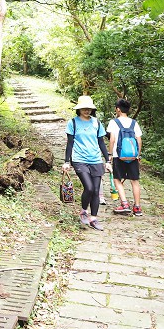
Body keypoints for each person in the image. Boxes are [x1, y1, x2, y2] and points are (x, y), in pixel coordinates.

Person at [62, 95, 112, 230]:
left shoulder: (97, 123)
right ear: (79, 109)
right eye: (84, 108)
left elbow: (101, 142)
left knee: (96, 190)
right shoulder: (73, 123)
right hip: (79, 159)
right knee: (89, 187)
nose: (87, 111)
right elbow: (70, 143)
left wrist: (107, 160)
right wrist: (67, 161)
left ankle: (93, 219)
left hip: (95, 159)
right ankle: (84, 211)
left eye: (89, 108)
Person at [108, 98, 144, 216]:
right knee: (135, 181)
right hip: (133, 157)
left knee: (117, 179)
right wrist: (137, 154)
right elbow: (139, 140)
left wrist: (110, 155)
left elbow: (112, 139)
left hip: (119, 156)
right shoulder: (134, 123)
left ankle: (124, 204)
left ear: (118, 109)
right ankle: (137, 207)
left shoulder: (114, 122)